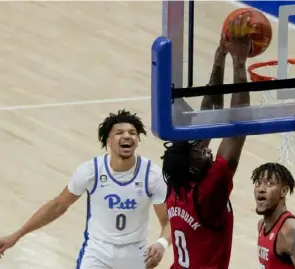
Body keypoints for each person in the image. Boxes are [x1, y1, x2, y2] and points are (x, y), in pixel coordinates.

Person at [0, 109, 171, 269]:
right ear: (108, 141)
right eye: (119, 132)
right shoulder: (91, 171)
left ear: (137, 141)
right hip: (98, 252)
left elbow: (169, 220)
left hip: (134, 253)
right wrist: (17, 235)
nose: (127, 136)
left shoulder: (152, 175)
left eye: (132, 133)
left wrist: (162, 244)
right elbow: (58, 205)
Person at [161, 14, 252, 269]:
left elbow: (209, 117)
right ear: (192, 167)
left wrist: (220, 57)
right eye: (200, 151)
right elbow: (238, 128)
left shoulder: (177, 188)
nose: (206, 149)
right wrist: (239, 64)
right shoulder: (208, 193)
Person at [252, 162, 295, 269]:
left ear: (283, 191)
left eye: (269, 184)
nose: (261, 189)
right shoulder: (261, 226)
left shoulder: (290, 230)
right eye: (258, 183)